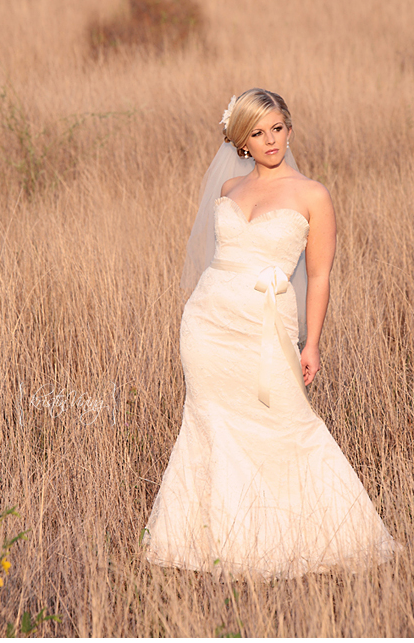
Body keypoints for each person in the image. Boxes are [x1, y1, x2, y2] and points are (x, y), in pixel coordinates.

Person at [143, 88, 399, 580]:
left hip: (267, 325)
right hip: (207, 322)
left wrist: (312, 343)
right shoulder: (228, 190)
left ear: (289, 127)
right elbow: (212, 257)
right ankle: (217, 541)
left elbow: (320, 274)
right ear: (241, 141)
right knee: (210, 422)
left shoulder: (312, 194)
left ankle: (309, 536)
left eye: (277, 128)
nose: (270, 140)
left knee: (286, 421)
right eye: (257, 133)